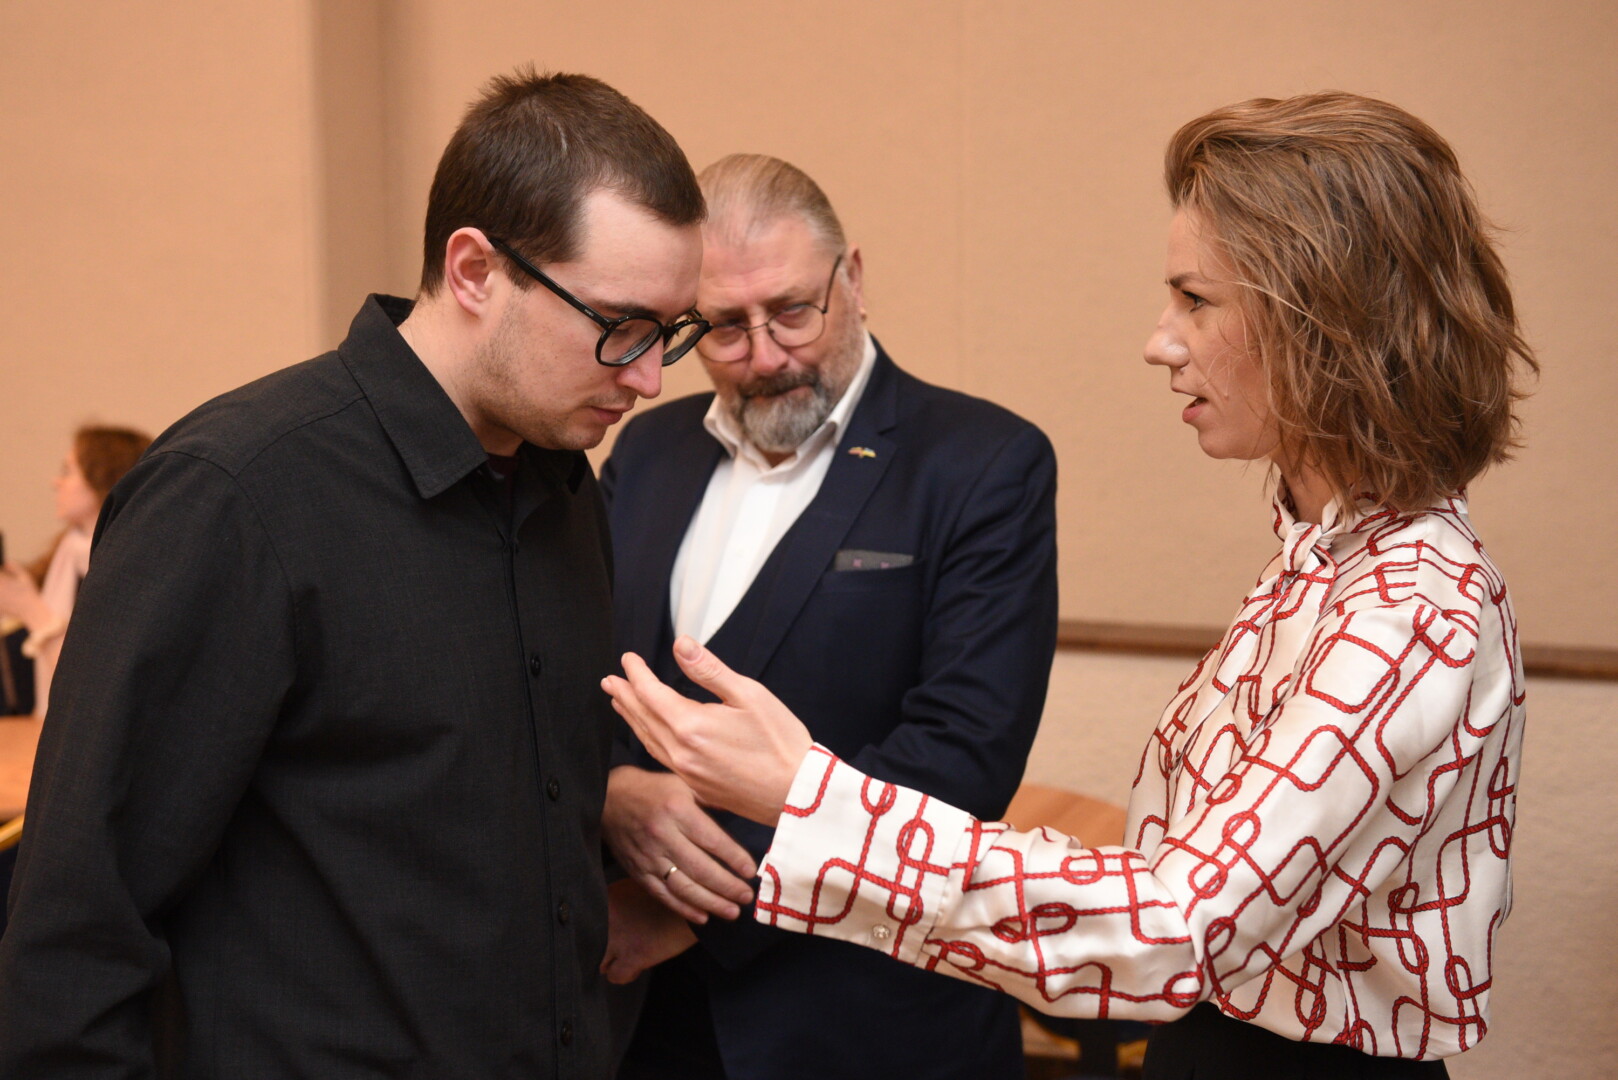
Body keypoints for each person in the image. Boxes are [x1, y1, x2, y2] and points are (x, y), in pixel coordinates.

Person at [604, 92, 1534, 1079]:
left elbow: (1168, 930)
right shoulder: (1321, 558)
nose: (1160, 341)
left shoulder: (1409, 604)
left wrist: (810, 800)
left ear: (1323, 324)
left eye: (1195, 300)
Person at [0, 69, 708, 1077]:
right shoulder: (237, 495)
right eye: (620, 326)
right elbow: (79, 928)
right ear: (474, 270)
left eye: (669, 334)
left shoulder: (565, 493)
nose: (647, 377)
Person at [597, 154, 1058, 1078]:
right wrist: (611, 794)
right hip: (642, 1022)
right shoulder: (646, 451)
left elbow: (960, 758)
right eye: (726, 328)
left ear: (852, 278)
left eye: (793, 311)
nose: (768, 355)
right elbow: (571, 675)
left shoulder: (983, 463)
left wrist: (695, 904)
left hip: (868, 1022)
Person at [1, 425, 151, 718]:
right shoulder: (69, 550)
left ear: (103, 479)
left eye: (68, 471)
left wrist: (31, 609)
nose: (55, 482)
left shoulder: (130, 566)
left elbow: (94, 690)